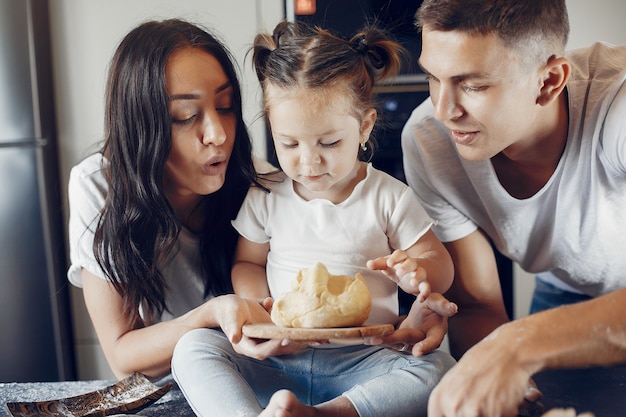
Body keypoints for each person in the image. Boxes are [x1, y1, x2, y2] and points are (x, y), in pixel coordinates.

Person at [171, 21, 457, 417]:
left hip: (365, 360)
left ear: (364, 127)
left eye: (328, 142)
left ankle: (330, 413)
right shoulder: (267, 194)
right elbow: (248, 262)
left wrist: (419, 272)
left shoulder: (389, 196)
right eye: (289, 143)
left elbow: (439, 266)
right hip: (278, 358)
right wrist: (259, 305)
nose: (308, 161)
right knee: (193, 347)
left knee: (440, 368)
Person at [400, 0, 626, 416]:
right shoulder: (428, 141)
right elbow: (478, 306)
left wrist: (516, 344)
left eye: (473, 85)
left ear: (548, 81)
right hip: (566, 289)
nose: (444, 110)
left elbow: (513, 342)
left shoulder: (618, 107)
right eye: (434, 78)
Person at [67, 18, 274, 379]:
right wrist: (209, 315)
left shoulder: (261, 183)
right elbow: (122, 357)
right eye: (185, 115)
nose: (218, 135)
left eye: (225, 106)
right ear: (140, 125)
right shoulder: (99, 186)